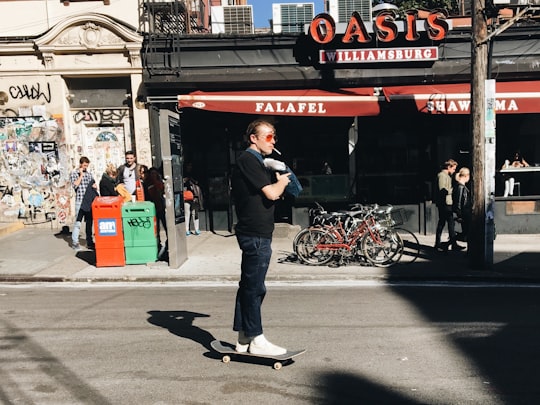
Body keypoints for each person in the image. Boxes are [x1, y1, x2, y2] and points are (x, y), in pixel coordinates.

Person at [231, 119, 291, 356]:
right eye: (268, 136)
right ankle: (256, 339)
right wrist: (283, 180)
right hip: (255, 234)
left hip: (255, 232)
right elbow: (273, 193)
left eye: (274, 136)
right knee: (255, 288)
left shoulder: (257, 162)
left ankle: (244, 336)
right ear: (253, 138)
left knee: (248, 286)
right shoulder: (249, 160)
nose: (273, 141)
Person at [434, 159, 464, 252]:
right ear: (449, 167)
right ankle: (443, 243)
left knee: (446, 223)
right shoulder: (442, 176)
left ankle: (443, 243)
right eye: (454, 169)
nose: (454, 171)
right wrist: (452, 190)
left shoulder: (446, 176)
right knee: (447, 223)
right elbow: (442, 190)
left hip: (446, 203)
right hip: (445, 203)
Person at [70, 156, 97, 251]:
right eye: (84, 165)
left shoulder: (89, 174)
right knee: (78, 223)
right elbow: (75, 185)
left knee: (89, 222)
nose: (85, 167)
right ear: (81, 164)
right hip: (80, 201)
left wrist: (94, 186)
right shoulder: (74, 173)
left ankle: (89, 241)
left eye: (87, 166)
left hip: (89, 201)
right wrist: (81, 175)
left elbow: (93, 185)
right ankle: (75, 242)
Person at [145, 167, 167, 252]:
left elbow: (161, 190)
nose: (153, 175)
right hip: (153, 207)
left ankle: (167, 242)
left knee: (165, 225)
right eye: (152, 174)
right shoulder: (148, 183)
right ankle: (158, 243)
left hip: (160, 206)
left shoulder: (159, 182)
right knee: (156, 227)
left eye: (155, 174)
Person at [453, 167, 472, 243]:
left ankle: (449, 242)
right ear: (466, 176)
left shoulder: (462, 186)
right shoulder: (460, 187)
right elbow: (458, 201)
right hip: (464, 212)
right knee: (467, 232)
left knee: (466, 232)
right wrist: (459, 214)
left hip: (465, 212)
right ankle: (450, 241)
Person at [183, 171, 204, 236]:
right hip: (188, 196)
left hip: (193, 196)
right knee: (188, 213)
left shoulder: (194, 176)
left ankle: (196, 229)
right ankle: (188, 230)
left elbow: (197, 182)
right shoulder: (184, 176)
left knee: (194, 213)